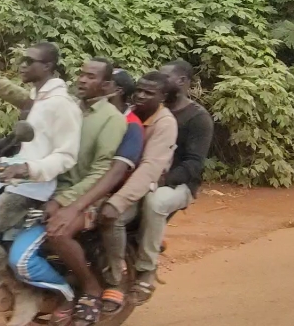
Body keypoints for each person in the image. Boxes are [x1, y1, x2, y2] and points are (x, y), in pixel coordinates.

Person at [0, 43, 82, 326]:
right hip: (15, 179)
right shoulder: (38, 97)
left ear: (48, 67)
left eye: (30, 61)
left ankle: (22, 292)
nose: (22, 65)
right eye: (22, 59)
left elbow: (66, 156)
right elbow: (22, 127)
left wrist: (28, 168)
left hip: (34, 188)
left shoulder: (62, 105)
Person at [39, 58, 127, 326]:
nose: (82, 80)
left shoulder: (111, 119)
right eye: (81, 75)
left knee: (58, 231)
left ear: (106, 84)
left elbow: (101, 172)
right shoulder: (72, 109)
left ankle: (90, 288)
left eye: (91, 77)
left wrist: (66, 201)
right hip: (56, 187)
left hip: (89, 196)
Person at [128, 59, 213, 305]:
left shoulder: (198, 118)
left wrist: (159, 180)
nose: (161, 82)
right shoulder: (148, 109)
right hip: (143, 175)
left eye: (168, 78)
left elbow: (194, 164)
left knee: (154, 203)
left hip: (178, 186)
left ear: (183, 82)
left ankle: (146, 269)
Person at [97, 71, 178, 313]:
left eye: (149, 93)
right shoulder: (125, 111)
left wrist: (118, 202)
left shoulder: (165, 123)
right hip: (112, 181)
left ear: (162, 96)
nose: (141, 96)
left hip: (139, 187)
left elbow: (149, 168)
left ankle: (117, 277)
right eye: (139, 90)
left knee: (112, 218)